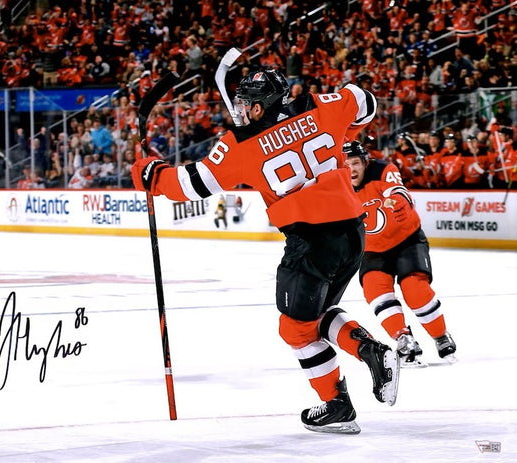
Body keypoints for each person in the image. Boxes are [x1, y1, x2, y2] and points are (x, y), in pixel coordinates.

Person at [132, 67, 400, 434]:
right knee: (317, 314)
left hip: (310, 241)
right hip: (353, 233)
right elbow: (365, 102)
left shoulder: (241, 143)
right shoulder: (319, 106)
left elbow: (192, 184)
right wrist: (343, 131)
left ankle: (345, 392)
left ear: (259, 107)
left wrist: (150, 173)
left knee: (296, 329)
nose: (241, 110)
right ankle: (365, 361)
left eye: (246, 104)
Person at [343, 140, 457, 368]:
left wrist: (401, 201)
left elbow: (397, 190)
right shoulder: (337, 185)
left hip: (406, 240)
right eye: (346, 165)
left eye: (355, 163)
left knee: (415, 290)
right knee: (376, 291)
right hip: (372, 249)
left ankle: (440, 335)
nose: (351, 169)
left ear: (365, 162)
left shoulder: (382, 170)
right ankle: (404, 339)